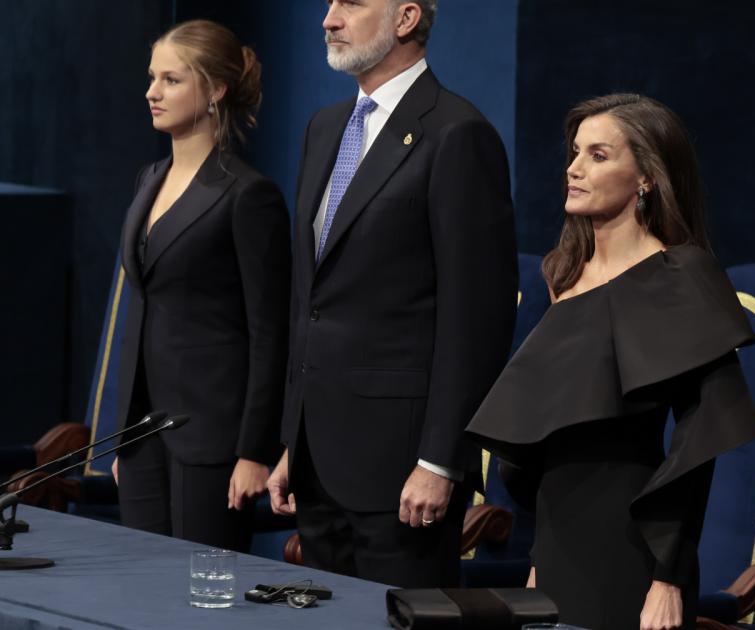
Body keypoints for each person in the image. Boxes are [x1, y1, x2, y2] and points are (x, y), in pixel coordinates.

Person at [466, 93, 755, 630]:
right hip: (556, 543)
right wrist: (536, 557)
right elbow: (548, 433)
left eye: (598, 156)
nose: (574, 169)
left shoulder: (682, 276)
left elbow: (701, 441)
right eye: (575, 153)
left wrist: (668, 579)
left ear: (646, 176)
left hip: (633, 547)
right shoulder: (564, 274)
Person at [266, 0, 517, 588]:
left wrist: (440, 460)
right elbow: (311, 300)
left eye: (350, 3)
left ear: (406, 18)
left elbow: (475, 320)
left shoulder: (458, 133)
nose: (328, 19)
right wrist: (290, 442)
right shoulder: (323, 127)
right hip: (318, 462)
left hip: (403, 470)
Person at [112, 19, 290, 552]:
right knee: (144, 596)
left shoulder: (248, 195)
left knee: (201, 599)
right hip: (142, 435)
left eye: (171, 79)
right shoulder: (148, 179)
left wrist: (254, 450)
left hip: (214, 440)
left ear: (214, 90)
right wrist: (123, 436)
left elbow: (270, 330)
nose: (151, 92)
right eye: (151, 78)